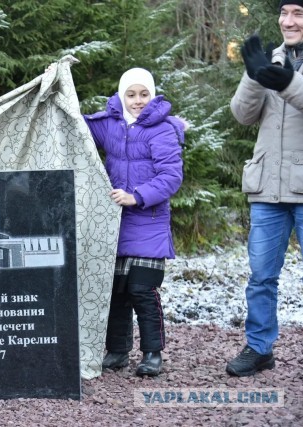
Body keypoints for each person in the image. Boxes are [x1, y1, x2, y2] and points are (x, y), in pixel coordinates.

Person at [83, 68, 184, 376]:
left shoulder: (162, 130)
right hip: (113, 222)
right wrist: (53, 81)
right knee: (115, 290)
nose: (138, 101)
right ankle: (117, 351)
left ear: (151, 96)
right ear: (121, 96)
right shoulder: (110, 124)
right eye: (131, 94)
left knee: (142, 289)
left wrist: (136, 196)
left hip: (148, 221)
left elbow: (171, 176)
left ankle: (153, 353)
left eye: (144, 94)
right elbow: (73, 123)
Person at [227, 0, 303, 377]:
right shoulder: (272, 56)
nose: (288, 22)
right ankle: (259, 348)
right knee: (261, 276)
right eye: (284, 14)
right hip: (267, 188)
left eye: (299, 14)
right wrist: (253, 74)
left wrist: (289, 82)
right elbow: (242, 115)